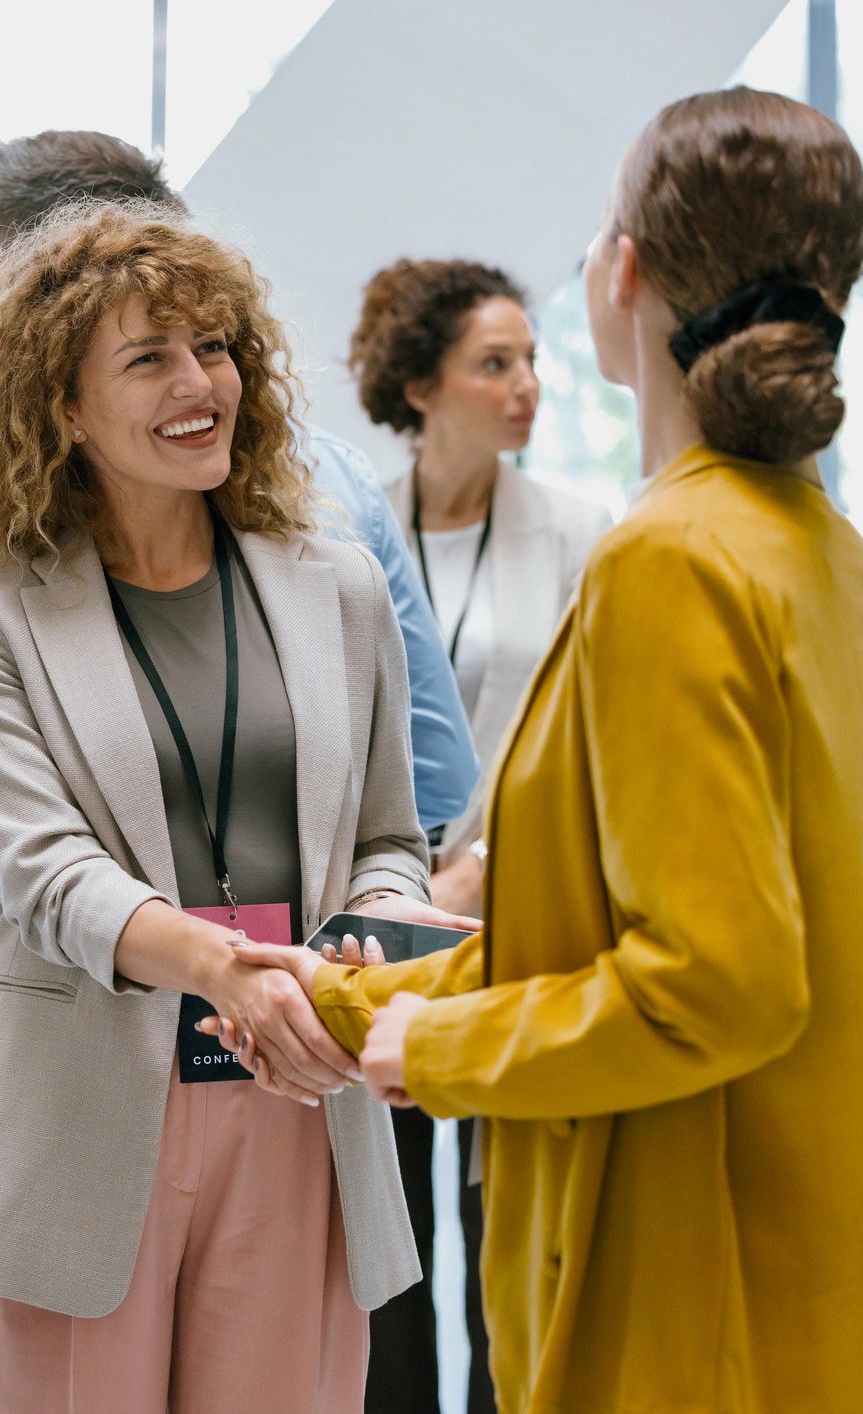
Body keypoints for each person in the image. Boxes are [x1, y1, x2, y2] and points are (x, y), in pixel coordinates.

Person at [227, 87, 863, 1412]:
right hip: (811, 1256)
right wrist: (362, 1004)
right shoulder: (811, 544)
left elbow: (711, 984)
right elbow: (606, 933)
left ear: (627, 272)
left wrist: (426, 1053)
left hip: (702, 1281)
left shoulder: (671, 560)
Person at [0, 201, 474, 1412]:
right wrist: (230, 967)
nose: (199, 380)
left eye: (213, 346)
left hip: (297, 1090)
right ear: (58, 406)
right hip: (76, 1097)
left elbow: (388, 836)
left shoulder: (335, 583)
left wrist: (369, 943)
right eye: (148, 356)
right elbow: (41, 873)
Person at [0, 130, 478, 1089]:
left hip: (295, 1032)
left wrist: (6, 865)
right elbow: (439, 780)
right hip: (149, 1033)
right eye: (150, 354)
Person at [345, 258, 610, 1413]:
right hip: (382, 910)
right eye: (492, 363)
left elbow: (588, 739)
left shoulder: (575, 534)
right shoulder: (350, 527)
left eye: (530, 361)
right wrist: (404, 876)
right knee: (387, 1231)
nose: (525, 387)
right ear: (419, 382)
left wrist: (484, 868)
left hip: (514, 909)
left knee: (499, 1214)